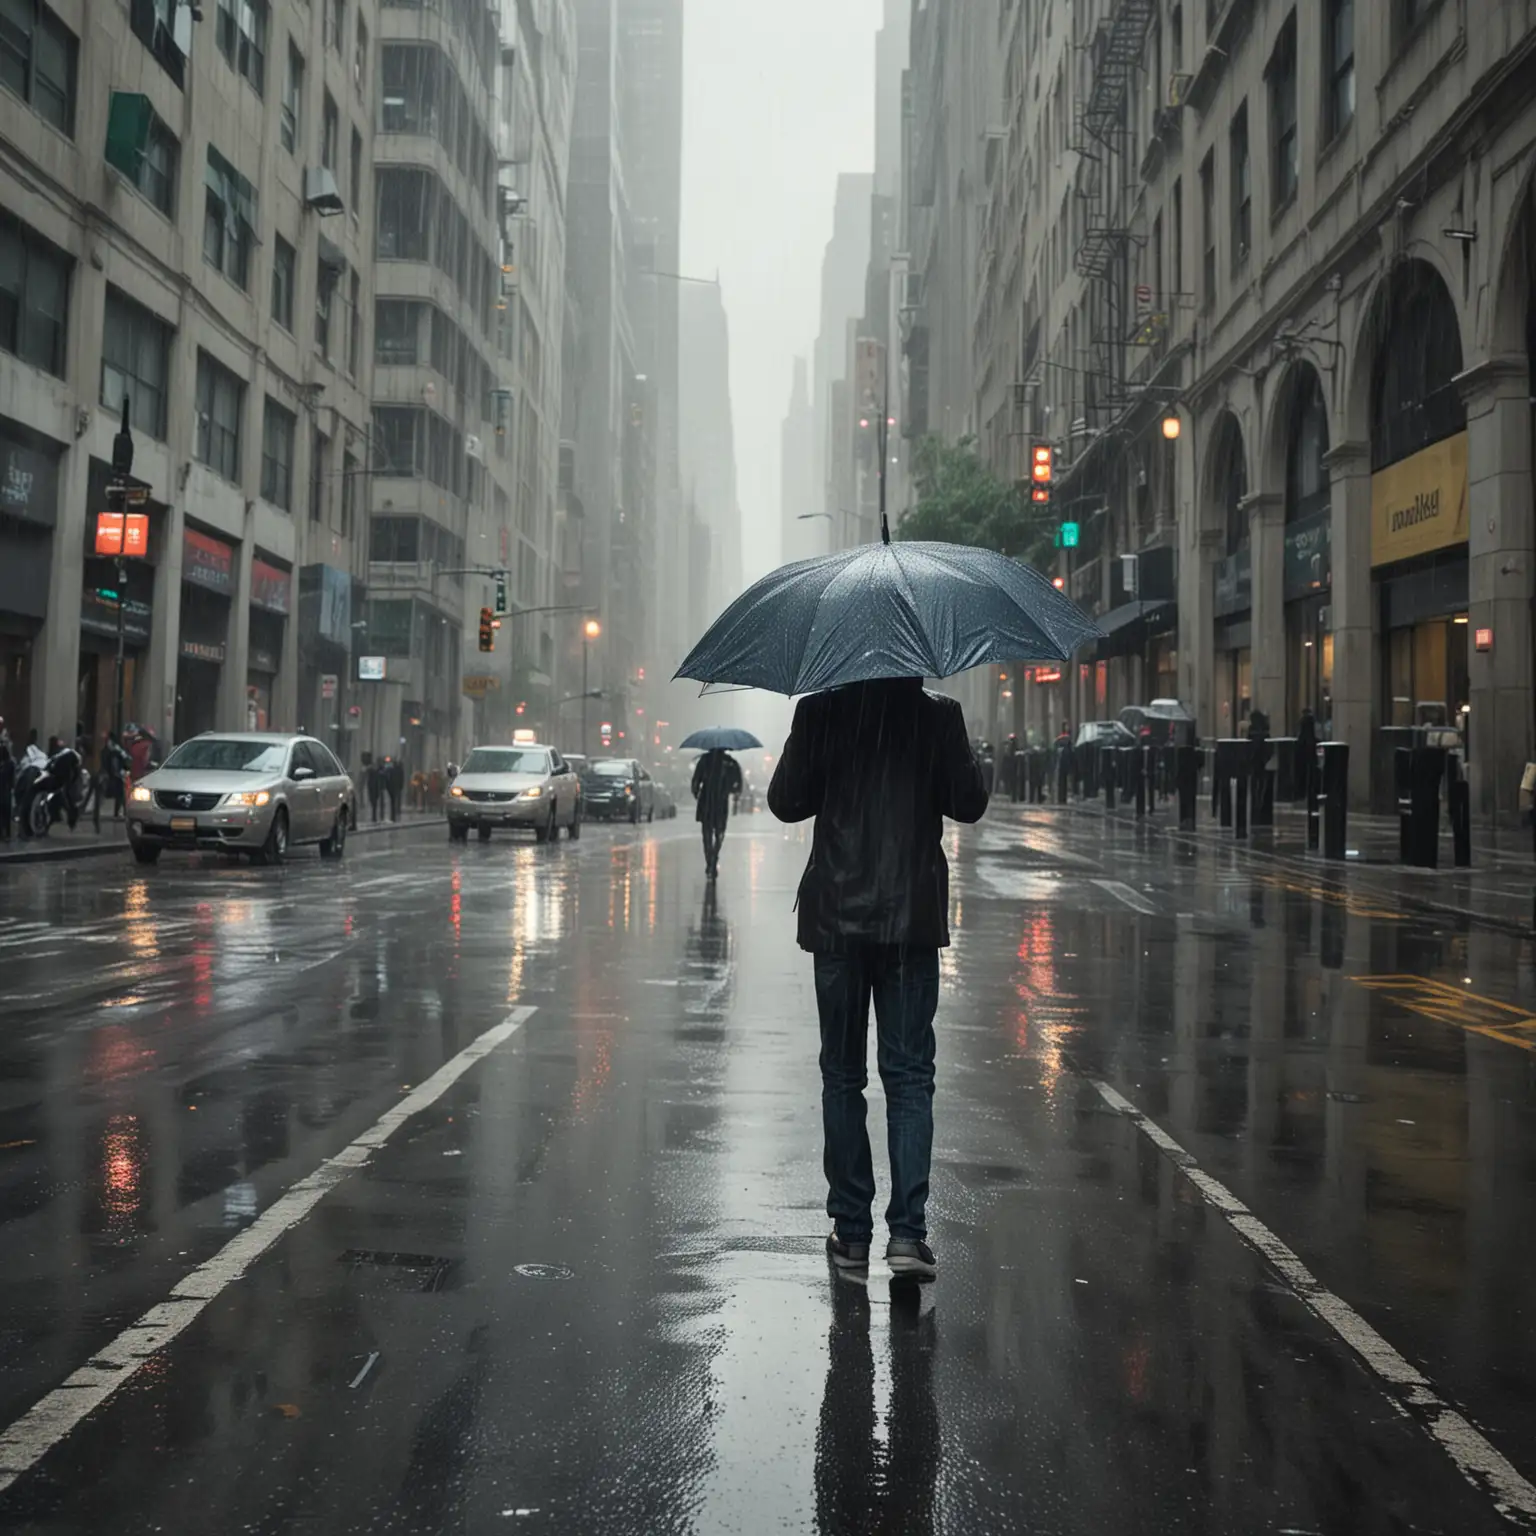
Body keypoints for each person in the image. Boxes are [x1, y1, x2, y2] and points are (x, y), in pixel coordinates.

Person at [768, 677, 987, 1279]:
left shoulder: (821, 712)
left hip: (838, 921)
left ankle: (853, 1233)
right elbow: (969, 801)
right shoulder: (938, 717)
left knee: (842, 1075)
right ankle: (908, 1237)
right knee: (910, 1076)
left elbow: (786, 800)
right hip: (909, 920)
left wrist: (811, 740)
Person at [691, 748, 743, 879]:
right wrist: (734, 791)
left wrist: (696, 792)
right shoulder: (730, 762)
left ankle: (710, 859)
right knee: (718, 831)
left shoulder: (704, 760)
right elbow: (738, 783)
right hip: (719, 801)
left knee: (707, 832)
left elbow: (696, 781)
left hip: (707, 801)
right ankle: (713, 857)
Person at [94, 731, 130, 831]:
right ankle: (120, 813)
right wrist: (118, 773)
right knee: (120, 795)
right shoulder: (115, 750)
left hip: (111, 775)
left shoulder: (111, 749)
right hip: (114, 776)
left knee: (120, 795)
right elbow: (117, 762)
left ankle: (119, 812)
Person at [364, 756, 383, 823]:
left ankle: (374, 817)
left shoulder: (372, 776)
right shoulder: (375, 774)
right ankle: (374, 817)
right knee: (374, 804)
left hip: (373, 790)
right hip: (374, 790)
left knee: (374, 804)